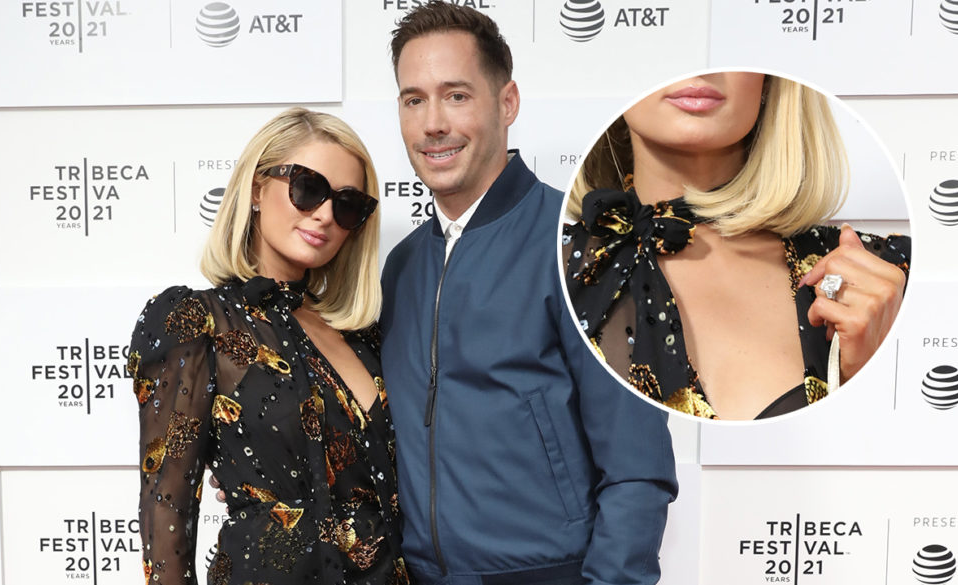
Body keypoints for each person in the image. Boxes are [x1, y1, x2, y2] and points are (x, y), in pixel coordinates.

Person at [380, 4, 678, 585]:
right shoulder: (401, 267)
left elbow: (637, 468)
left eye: (456, 95)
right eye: (414, 100)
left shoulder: (583, 250)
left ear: (507, 103)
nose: (433, 123)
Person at [128, 108, 410, 585]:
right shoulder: (195, 322)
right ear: (257, 189)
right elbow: (166, 509)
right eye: (308, 188)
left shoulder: (364, 336)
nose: (325, 215)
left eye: (347, 205)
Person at [563, 72, 911, 420]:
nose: (699, 71)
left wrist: (867, 374)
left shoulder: (883, 281)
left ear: (768, 82)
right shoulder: (546, 270)